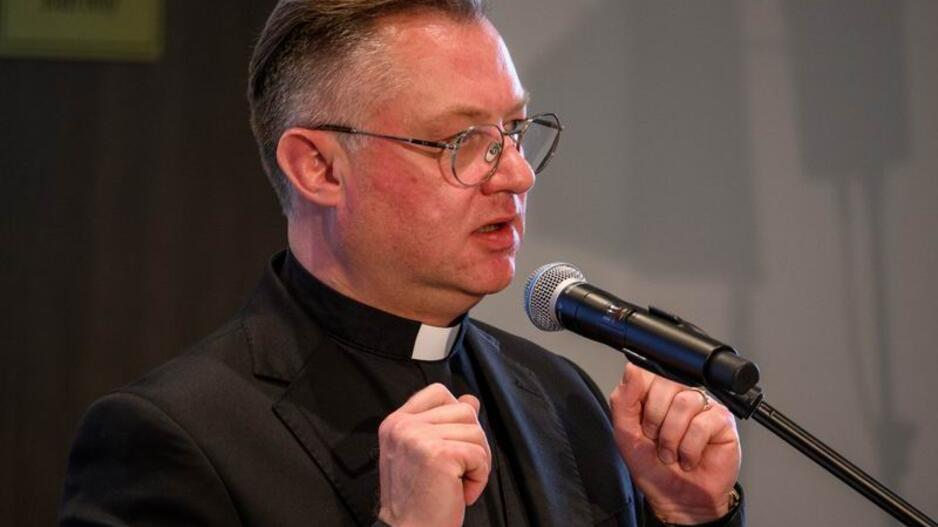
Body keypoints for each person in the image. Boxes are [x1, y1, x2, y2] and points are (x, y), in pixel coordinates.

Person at [60, 1, 745, 526]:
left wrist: (689, 517)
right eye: (463, 140)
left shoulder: (563, 398)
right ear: (319, 167)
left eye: (513, 131)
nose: (517, 174)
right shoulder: (174, 438)